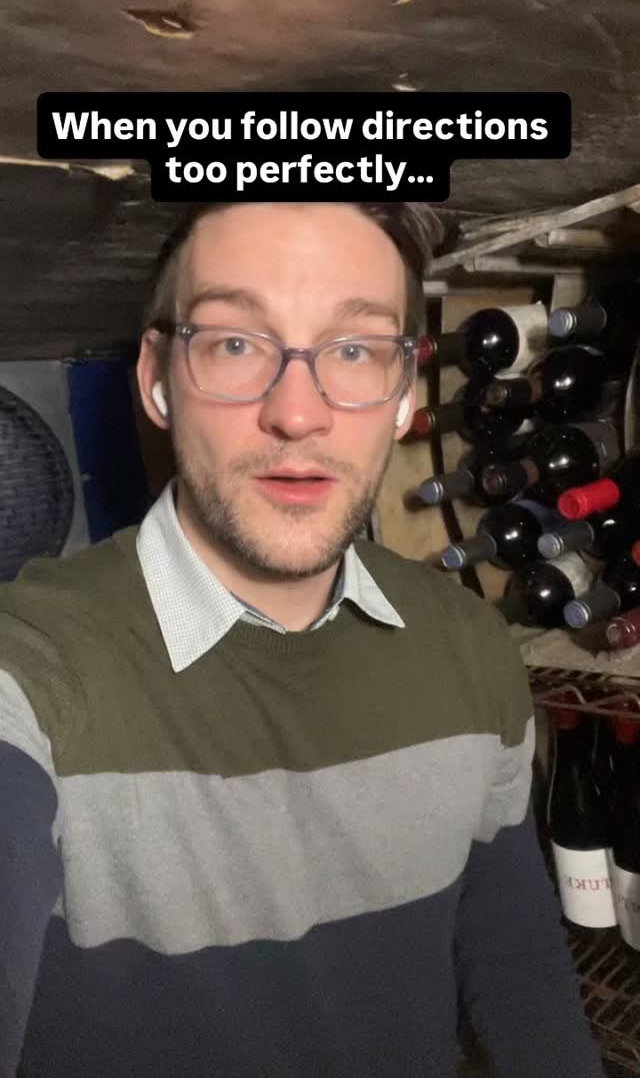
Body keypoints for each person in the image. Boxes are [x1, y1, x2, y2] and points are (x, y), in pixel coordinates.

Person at [0, 201, 604, 1078]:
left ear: (402, 397)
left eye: (354, 350)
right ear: (158, 380)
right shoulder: (30, 671)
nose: (297, 414)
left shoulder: (467, 643)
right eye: (235, 344)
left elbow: (514, 958)